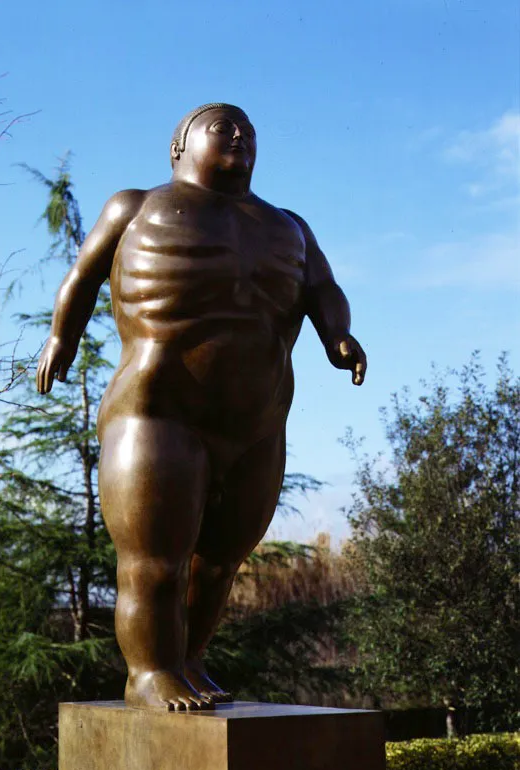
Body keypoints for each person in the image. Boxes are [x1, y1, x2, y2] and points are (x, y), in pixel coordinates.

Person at [36, 103, 367, 711]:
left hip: (259, 423)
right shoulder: (136, 207)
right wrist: (63, 335)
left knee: (219, 565)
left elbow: (323, 288)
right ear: (178, 146)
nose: (240, 136)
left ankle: (188, 658)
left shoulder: (289, 227)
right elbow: (83, 276)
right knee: (156, 563)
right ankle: (149, 672)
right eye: (223, 128)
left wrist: (337, 335)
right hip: (158, 412)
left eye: (248, 131)